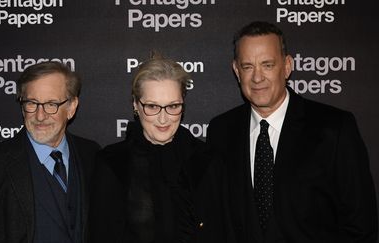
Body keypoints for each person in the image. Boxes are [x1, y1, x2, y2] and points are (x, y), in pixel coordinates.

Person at [204, 21, 378, 242]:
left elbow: (361, 226)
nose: (257, 78)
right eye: (248, 66)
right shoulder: (221, 131)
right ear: (236, 71)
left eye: (267, 65)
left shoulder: (334, 128)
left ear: (287, 66)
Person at [0, 61, 100, 243]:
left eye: (51, 104)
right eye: (32, 103)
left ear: (71, 107)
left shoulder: (91, 154)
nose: (40, 116)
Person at [89, 53, 205, 243]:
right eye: (152, 106)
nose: (163, 118)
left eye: (173, 106)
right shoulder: (112, 163)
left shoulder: (205, 160)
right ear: (136, 105)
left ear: (183, 105)